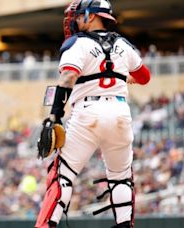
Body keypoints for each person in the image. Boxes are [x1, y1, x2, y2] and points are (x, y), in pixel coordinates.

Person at [35, 1, 150, 228]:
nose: (75, 21)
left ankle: (47, 225)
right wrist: (118, 76)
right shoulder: (123, 44)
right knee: (121, 177)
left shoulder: (78, 43)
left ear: (90, 16)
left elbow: (67, 78)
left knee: (63, 175)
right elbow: (145, 77)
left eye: (78, 16)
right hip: (120, 112)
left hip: (88, 113)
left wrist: (55, 115)